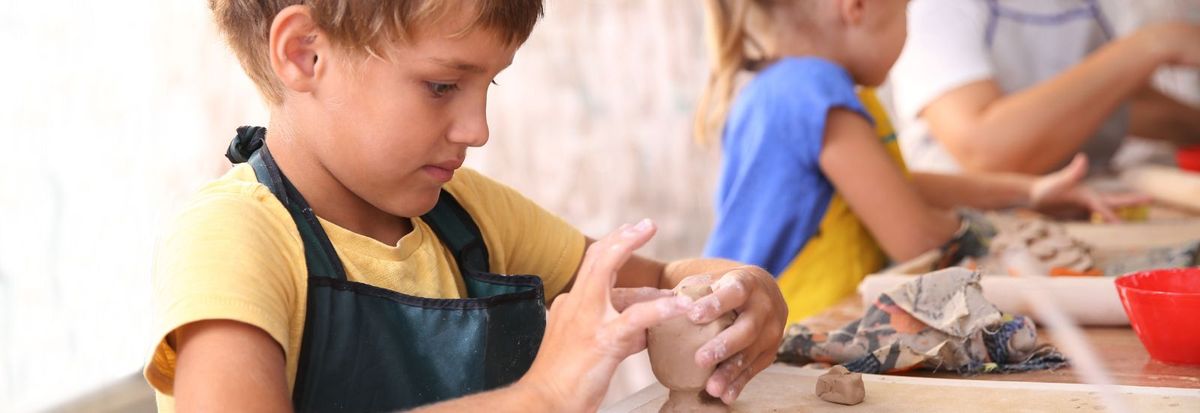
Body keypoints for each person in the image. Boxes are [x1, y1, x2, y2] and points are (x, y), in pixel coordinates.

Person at [144, 1, 788, 411]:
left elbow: (660, 284)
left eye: (489, 82)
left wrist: (737, 290)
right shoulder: (232, 240)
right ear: (305, 52)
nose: (477, 128)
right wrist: (542, 396)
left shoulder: (465, 216)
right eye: (442, 85)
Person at [695, 0, 1145, 324]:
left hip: (795, 320)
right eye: (906, 10)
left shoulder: (794, 86)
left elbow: (897, 186)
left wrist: (1027, 191)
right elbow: (916, 237)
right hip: (784, 330)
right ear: (856, 7)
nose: (909, 31)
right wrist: (997, 234)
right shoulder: (814, 89)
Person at [889, 0, 1200, 175]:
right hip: (977, 228)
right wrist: (1151, 46)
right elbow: (984, 151)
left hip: (1088, 206)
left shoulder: (1098, 6)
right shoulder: (940, 9)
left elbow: (1120, 106)